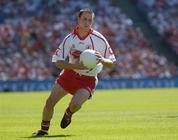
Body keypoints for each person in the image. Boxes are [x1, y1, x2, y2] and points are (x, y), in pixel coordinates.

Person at [32, 8, 116, 137]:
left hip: (89, 78)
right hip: (69, 74)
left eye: (90, 20)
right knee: (50, 102)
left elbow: (111, 63)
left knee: (75, 105)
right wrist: (74, 66)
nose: (87, 22)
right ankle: (43, 130)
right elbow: (58, 62)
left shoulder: (99, 39)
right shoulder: (69, 39)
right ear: (78, 19)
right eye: (84, 19)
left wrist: (102, 60)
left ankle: (69, 113)